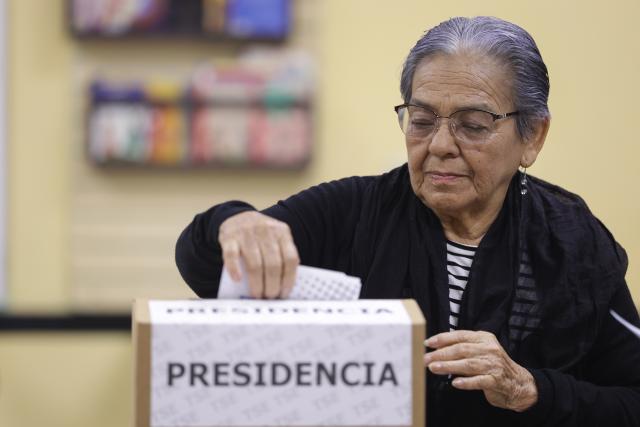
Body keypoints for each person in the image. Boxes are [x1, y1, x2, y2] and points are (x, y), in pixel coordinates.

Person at [175, 16, 640, 426]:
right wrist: (233, 222)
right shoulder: (353, 210)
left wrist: (529, 390)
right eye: (421, 120)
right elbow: (204, 264)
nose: (439, 144)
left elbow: (630, 401)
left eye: (472, 124)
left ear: (532, 136)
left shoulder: (572, 241)